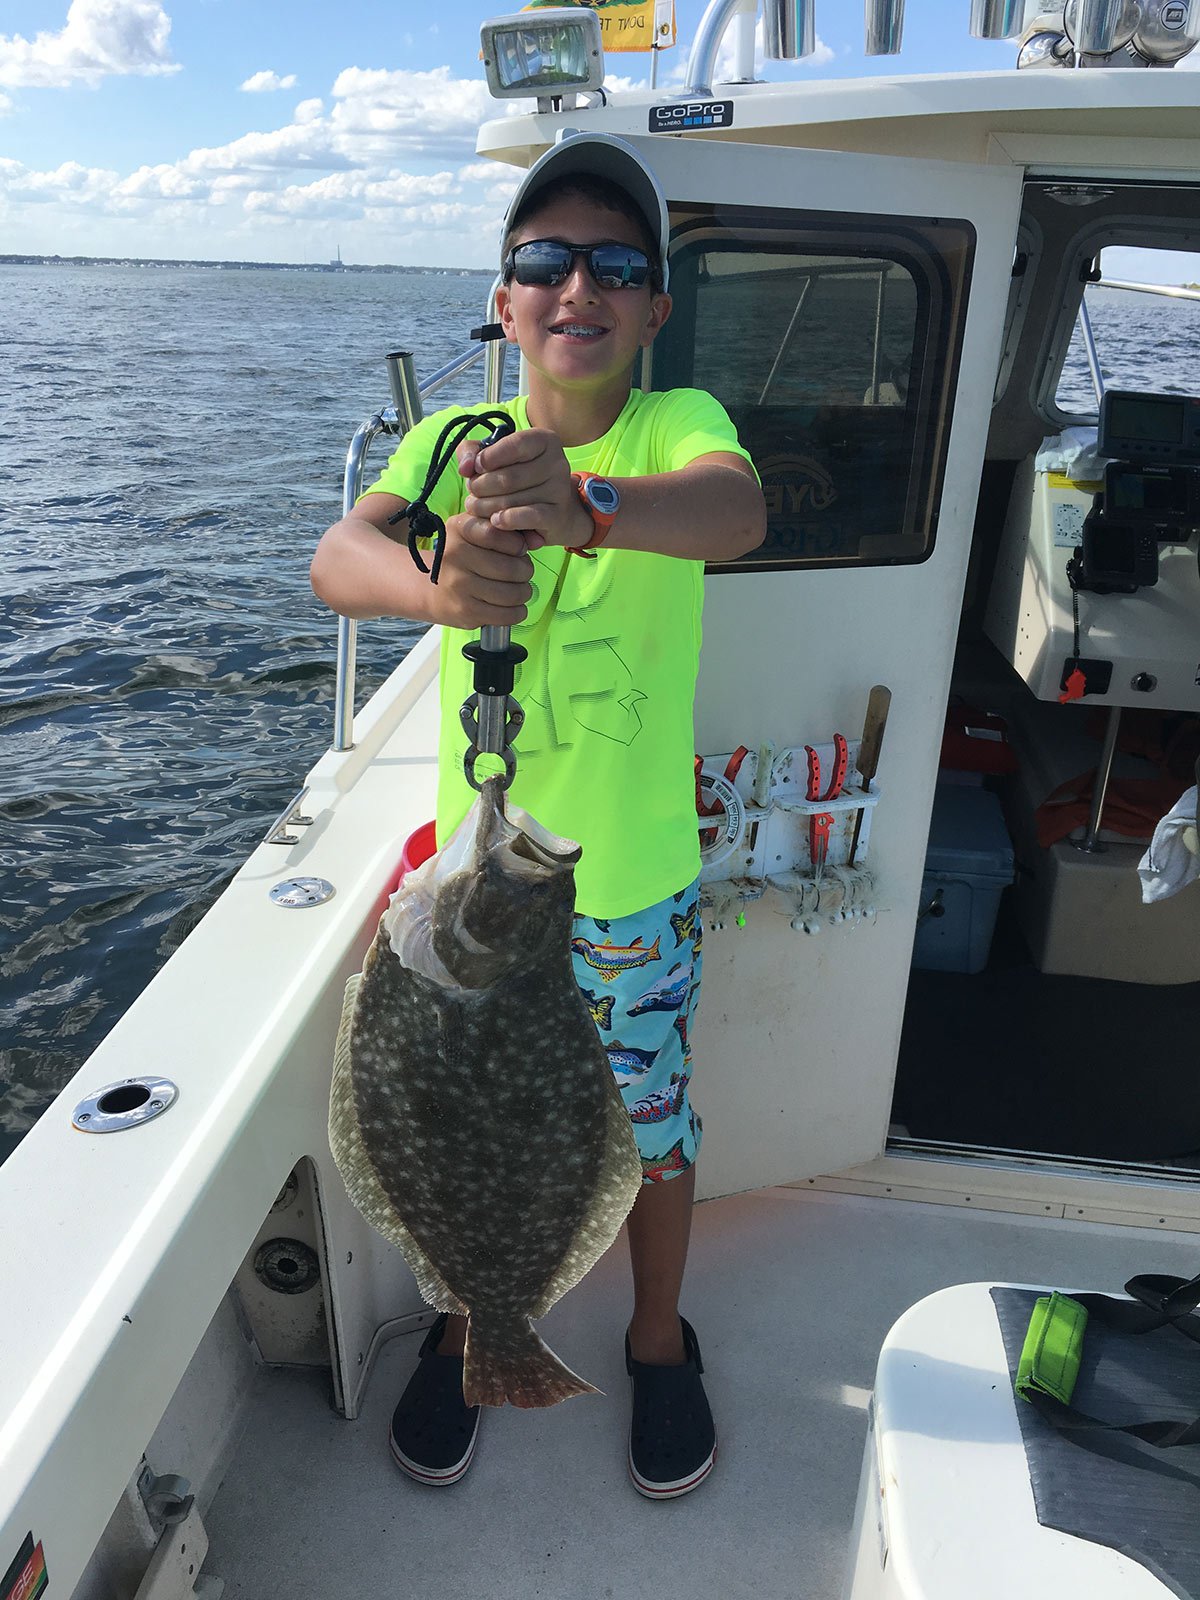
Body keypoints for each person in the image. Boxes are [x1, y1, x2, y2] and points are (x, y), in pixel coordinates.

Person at [310, 131, 765, 1499]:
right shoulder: (453, 441)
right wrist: (437, 594)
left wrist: (591, 507)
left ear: (654, 310)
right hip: (479, 899)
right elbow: (342, 556)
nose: (582, 287)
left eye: (616, 266)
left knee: (654, 1130)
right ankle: (474, 1331)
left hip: (626, 889)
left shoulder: (673, 431)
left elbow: (735, 514)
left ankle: (656, 1337)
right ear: (504, 301)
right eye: (546, 262)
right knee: (464, 1129)